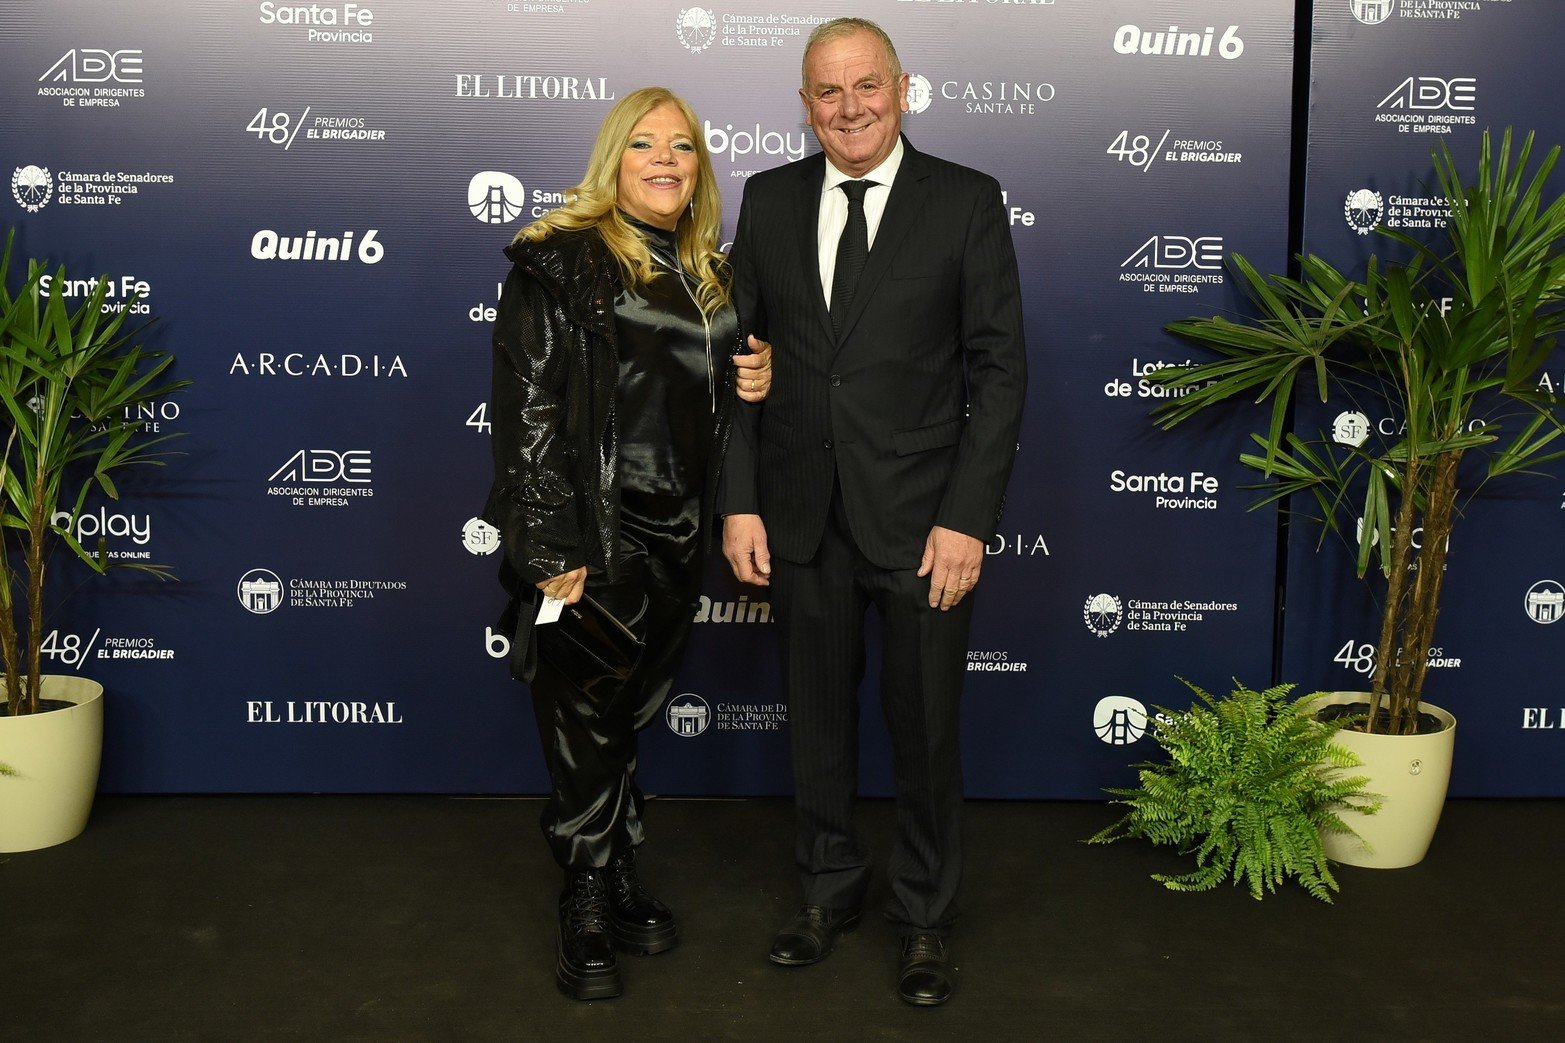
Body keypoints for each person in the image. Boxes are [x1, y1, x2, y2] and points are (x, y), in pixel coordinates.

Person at [719, 18, 1027, 1007]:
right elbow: (740, 371)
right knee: (815, 725)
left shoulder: (966, 201)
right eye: (826, 91)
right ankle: (824, 893)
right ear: (802, 104)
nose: (848, 107)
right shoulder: (766, 201)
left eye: (865, 86)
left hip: (921, 522)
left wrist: (967, 518)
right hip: (801, 516)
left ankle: (924, 918)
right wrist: (740, 503)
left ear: (901, 87)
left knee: (925, 730)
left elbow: (999, 370)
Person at [482, 86, 772, 1002]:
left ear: (699, 167)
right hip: (594, 533)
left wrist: (750, 380)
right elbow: (527, 408)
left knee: (626, 704)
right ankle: (586, 894)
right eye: (644, 144)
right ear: (613, 159)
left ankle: (612, 868)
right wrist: (548, 539)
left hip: (677, 532)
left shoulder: (708, 273)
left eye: (681, 147)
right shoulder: (561, 259)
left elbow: (711, 396)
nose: (664, 161)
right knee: (582, 708)